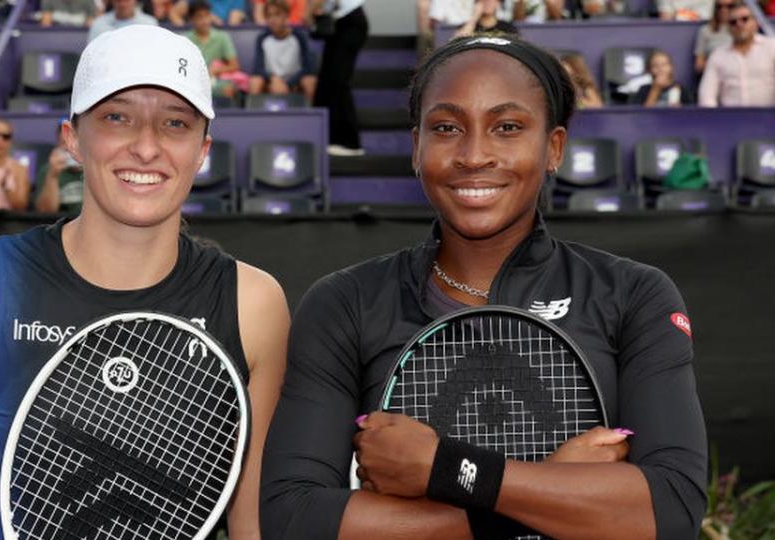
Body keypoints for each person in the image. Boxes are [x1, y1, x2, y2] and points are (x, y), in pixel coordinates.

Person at [0, 24, 289, 539]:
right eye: (116, 117)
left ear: (203, 150)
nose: (146, 147)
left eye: (175, 123)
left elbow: (253, 517)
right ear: (72, 139)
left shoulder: (253, 304)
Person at [261, 35, 707, 539]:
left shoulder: (635, 295)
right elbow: (294, 520)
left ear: (553, 147)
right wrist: (549, 497)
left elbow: (670, 512)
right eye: (447, 127)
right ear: (416, 147)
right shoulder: (344, 303)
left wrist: (441, 468)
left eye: (508, 127)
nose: (475, 154)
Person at [309, 0, 368, 157]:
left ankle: (350, 142)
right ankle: (324, 138)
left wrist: (309, 11)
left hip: (349, 22)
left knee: (338, 82)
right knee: (326, 82)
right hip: (338, 22)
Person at [698, 1, 775, 107]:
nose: (739, 24)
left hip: (768, 118)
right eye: (733, 22)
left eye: (744, 19)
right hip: (730, 120)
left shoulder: (772, 47)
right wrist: (715, 121)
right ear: (728, 28)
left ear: (756, 23)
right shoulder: (718, 55)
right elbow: (707, 96)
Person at [250, 0, 317, 104]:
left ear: (286, 16)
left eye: (277, 14)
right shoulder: (262, 38)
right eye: (269, 15)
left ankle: (310, 116)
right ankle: (254, 118)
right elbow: (257, 68)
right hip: (272, 81)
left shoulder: (299, 37)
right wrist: (273, 79)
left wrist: (288, 84)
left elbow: (308, 68)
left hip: (295, 81)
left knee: (310, 81)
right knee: (255, 82)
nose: (273, 19)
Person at [185, 0, 245, 100]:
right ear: (191, 19)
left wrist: (216, 70)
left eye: (207, 15)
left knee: (228, 89)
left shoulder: (222, 37)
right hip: (194, 82)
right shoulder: (185, 39)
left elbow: (235, 65)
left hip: (217, 81)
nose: (205, 21)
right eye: (199, 17)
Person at [34, 119, 84, 214]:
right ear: (58, 146)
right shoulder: (48, 170)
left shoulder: (97, 168)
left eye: (77, 142)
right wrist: (52, 176)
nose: (71, 148)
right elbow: (45, 212)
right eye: (65, 143)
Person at [88, 0, 158, 42]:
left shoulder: (150, 23)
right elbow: (91, 55)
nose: (123, 4)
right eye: (119, 0)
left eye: (126, 0)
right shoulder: (99, 24)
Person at [694, 0, 733, 74]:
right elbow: (699, 65)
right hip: (714, 76)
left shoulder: (740, 28)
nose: (723, 10)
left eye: (729, 6)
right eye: (719, 6)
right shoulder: (706, 30)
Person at [454, 0, 518, 37]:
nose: (487, 3)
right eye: (483, 0)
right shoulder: (467, 27)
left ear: (498, 3)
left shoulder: (508, 28)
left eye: (491, 0)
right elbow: (456, 44)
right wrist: (474, 18)